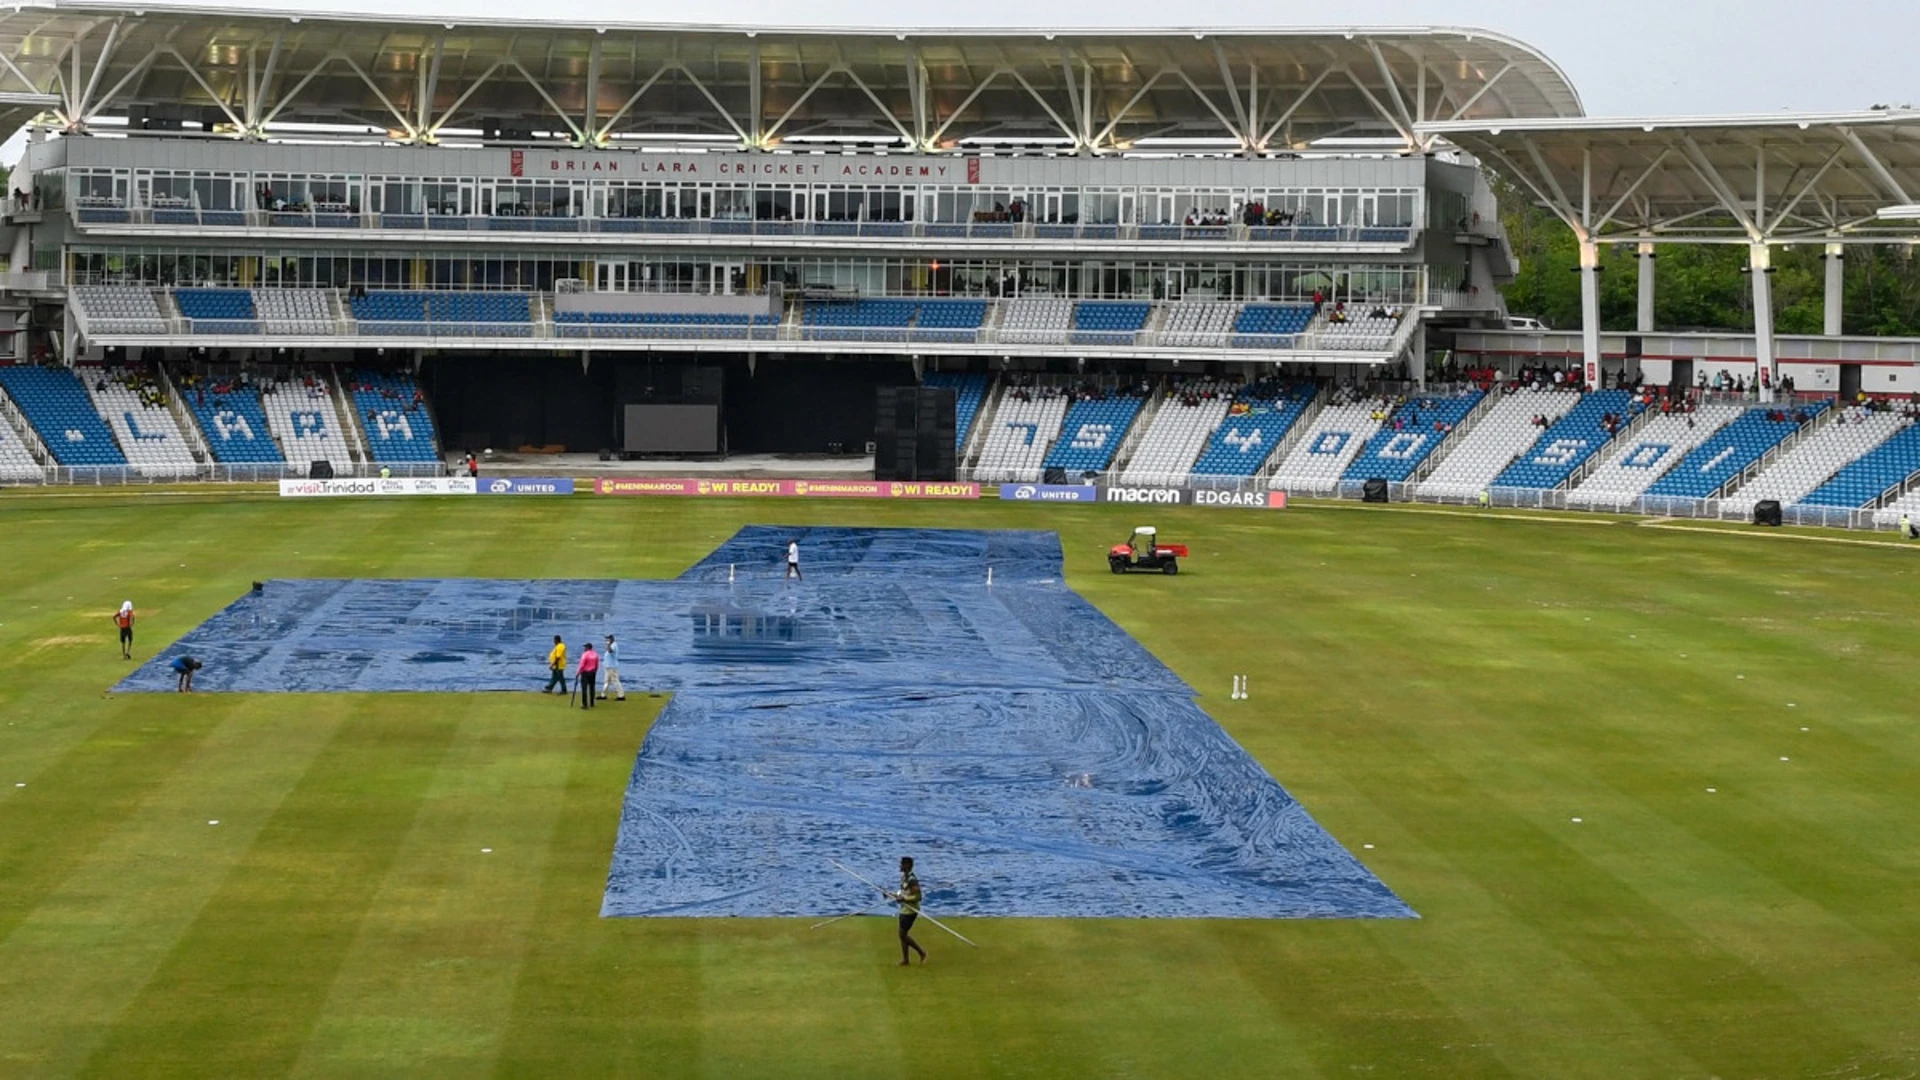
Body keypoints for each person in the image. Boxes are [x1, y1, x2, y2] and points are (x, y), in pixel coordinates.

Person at [892, 856, 927, 966]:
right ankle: (906, 959)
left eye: (902, 864)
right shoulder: (904, 878)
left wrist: (904, 899)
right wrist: (890, 894)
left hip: (910, 911)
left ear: (907, 865)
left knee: (902, 935)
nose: (900, 866)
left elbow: (918, 897)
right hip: (904, 909)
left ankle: (921, 952)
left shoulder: (912, 880)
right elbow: (902, 892)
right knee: (902, 935)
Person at [576, 641, 600, 708]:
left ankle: (585, 704)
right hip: (592, 672)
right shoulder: (595, 654)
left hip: (585, 673)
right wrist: (595, 671)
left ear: (587, 648)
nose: (584, 648)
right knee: (592, 688)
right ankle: (592, 702)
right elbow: (597, 664)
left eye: (585, 647)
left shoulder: (585, 654)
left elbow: (582, 665)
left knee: (584, 688)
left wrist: (578, 672)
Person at [602, 633, 626, 702]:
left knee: (615, 680)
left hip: (612, 666)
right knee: (606, 681)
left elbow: (610, 651)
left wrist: (608, 645)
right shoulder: (612, 645)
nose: (607, 640)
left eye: (608, 638)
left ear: (611, 639)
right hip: (608, 666)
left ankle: (621, 695)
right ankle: (603, 695)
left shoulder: (614, 645)